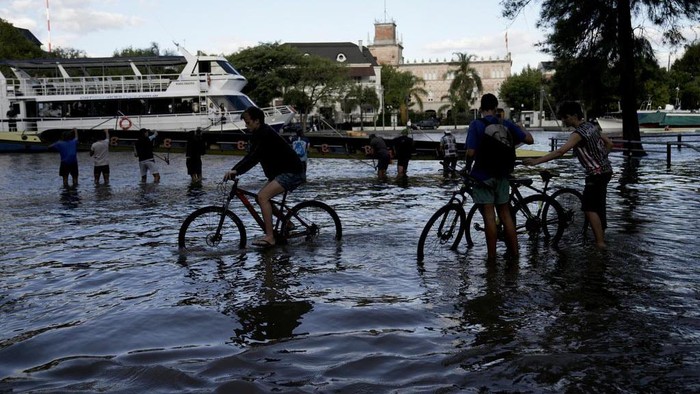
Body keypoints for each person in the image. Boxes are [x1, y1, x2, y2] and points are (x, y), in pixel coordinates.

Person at [523, 101, 613, 248]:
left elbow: (560, 151)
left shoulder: (578, 134)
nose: (563, 120)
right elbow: (609, 144)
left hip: (595, 174)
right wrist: (601, 159)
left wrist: (536, 161)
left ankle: (600, 244)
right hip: (606, 171)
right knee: (599, 206)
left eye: (565, 117)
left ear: (574, 116)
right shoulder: (592, 126)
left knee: (589, 208)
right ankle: (601, 239)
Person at [223, 106, 305, 248]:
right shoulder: (259, 133)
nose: (246, 125)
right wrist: (235, 170)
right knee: (259, 198)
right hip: (282, 171)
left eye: (248, 122)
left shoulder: (265, 134)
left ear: (257, 121)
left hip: (292, 171)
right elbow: (251, 156)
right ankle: (287, 222)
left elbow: (254, 157)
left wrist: (236, 171)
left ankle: (270, 237)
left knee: (263, 197)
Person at [466, 93, 534, 260]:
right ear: (496, 108)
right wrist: (522, 128)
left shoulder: (476, 124)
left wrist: (467, 168)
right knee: (505, 215)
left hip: (483, 175)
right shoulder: (506, 123)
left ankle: (491, 258)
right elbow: (530, 140)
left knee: (489, 217)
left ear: (481, 109)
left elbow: (470, 152)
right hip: (503, 174)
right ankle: (515, 253)